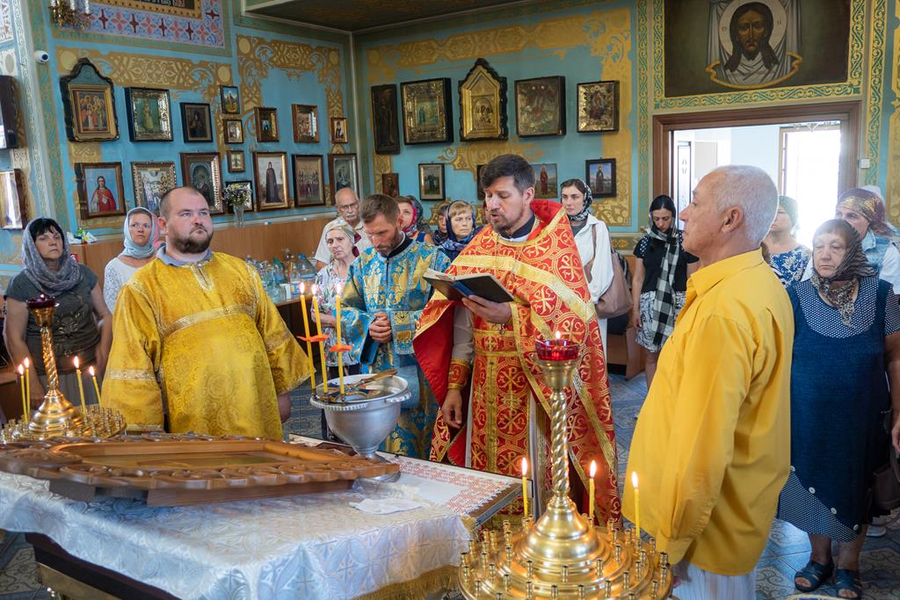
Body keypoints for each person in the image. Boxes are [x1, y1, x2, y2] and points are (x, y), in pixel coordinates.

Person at [414, 154, 620, 522]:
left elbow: (574, 324)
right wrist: (455, 387)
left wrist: (511, 315)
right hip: (484, 393)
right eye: (487, 196)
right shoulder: (480, 246)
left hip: (536, 393)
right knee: (484, 487)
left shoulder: (554, 247)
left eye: (502, 196)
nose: (491, 205)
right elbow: (463, 322)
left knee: (536, 489)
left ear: (527, 195)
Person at [625, 165, 793, 600]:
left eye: (696, 202)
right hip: (732, 512)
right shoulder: (756, 283)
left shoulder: (725, 311)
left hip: (705, 533)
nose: (682, 213)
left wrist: (673, 541)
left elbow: (702, 443)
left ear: (730, 218)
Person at [102, 187, 308, 437]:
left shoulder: (240, 271)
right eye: (186, 214)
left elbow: (273, 334)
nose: (198, 219)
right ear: (163, 224)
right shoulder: (141, 288)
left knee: (264, 472)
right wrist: (147, 433)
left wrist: (282, 393)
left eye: (204, 213)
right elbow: (133, 363)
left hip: (256, 410)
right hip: (194, 424)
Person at [775, 219, 900, 599]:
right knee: (811, 482)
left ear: (853, 251)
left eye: (836, 246)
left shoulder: (882, 296)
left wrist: (899, 414)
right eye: (819, 246)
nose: (825, 254)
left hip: (862, 414)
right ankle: (819, 559)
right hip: (807, 415)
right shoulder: (796, 296)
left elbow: (896, 356)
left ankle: (848, 564)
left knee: (856, 485)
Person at [340, 194, 450, 458]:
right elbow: (343, 309)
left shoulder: (433, 260)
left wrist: (400, 324)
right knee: (378, 445)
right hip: (376, 373)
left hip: (422, 374)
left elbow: (446, 312)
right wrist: (367, 326)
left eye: (382, 232)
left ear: (399, 221)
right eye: (369, 235)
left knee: (420, 450)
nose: (376, 242)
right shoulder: (363, 264)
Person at [3, 218, 112, 411]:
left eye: (56, 237)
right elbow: (13, 337)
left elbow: (105, 315)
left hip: (89, 369)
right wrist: (32, 382)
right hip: (48, 378)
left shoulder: (82, 274)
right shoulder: (22, 284)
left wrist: (103, 350)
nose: (53, 242)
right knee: (59, 438)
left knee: (96, 429)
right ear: (31, 246)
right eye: (43, 238)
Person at [631, 195, 699, 387]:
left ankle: (672, 406)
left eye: (665, 218)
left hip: (678, 303)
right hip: (650, 304)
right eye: (656, 218)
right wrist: (635, 310)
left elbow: (692, 279)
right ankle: (652, 405)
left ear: (674, 217)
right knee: (651, 355)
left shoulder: (685, 241)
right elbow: (638, 279)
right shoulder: (645, 243)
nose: (660, 223)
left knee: (676, 355)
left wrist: (690, 309)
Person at [801, 188, 900, 292]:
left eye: (852, 216)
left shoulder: (886, 252)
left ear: (869, 221)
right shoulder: (824, 245)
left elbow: (889, 298)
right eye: (839, 214)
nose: (842, 220)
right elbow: (805, 290)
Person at [560, 178, 615, 350]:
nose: (569, 202)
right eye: (565, 197)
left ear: (585, 198)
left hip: (589, 305)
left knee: (590, 356)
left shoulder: (597, 227)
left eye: (575, 197)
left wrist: (584, 303)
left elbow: (603, 272)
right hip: (560, 306)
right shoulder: (557, 227)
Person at [717, 2, 795, 88]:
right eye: (744, 28)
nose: (751, 35)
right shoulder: (725, 72)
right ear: (735, 35)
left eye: (758, 26)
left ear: (766, 32)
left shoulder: (779, 67)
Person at [103, 207, 157, 313]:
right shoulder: (114, 267)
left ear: (153, 230)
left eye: (146, 226)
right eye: (134, 225)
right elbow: (114, 308)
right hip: (130, 324)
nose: (140, 229)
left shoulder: (161, 259)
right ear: (127, 229)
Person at [313, 188, 371, 270]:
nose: (350, 210)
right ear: (337, 208)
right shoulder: (330, 228)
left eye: (353, 205)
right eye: (345, 207)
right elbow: (321, 264)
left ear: (359, 204)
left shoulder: (370, 224)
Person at [764, 195, 810, 286]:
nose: (774, 217)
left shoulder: (804, 254)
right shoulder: (753, 245)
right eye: (771, 211)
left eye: (779, 212)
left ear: (792, 218)